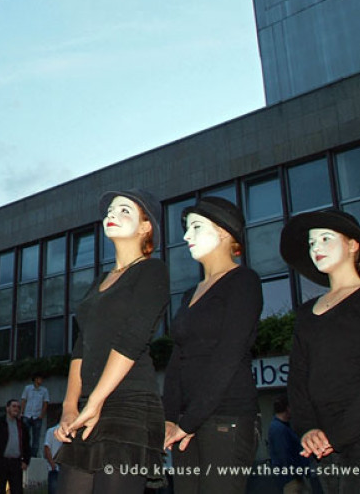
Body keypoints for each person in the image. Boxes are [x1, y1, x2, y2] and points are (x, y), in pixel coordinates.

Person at [55, 189, 170, 493]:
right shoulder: (98, 283)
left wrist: (95, 400)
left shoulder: (152, 271)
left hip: (129, 404)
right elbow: (82, 344)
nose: (112, 215)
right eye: (110, 211)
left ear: (146, 227)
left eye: (124, 211)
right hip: (90, 405)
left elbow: (132, 339)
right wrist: (69, 406)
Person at [281, 210, 360, 494]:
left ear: (353, 244)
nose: (316, 248)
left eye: (325, 238)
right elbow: (297, 378)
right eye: (311, 243)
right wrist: (308, 429)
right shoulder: (307, 312)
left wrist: (338, 435)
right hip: (322, 437)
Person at [162, 196, 262, 493]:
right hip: (186, 423)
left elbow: (228, 355)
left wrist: (189, 421)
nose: (185, 236)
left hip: (226, 417)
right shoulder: (189, 293)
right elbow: (177, 358)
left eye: (195, 227)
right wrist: (170, 419)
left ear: (223, 232)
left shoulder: (243, 281)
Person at [0, 399, 31, 494]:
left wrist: (26, 461)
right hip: (0, 462)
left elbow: (26, 444)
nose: (16, 409)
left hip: (16, 463)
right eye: (14, 406)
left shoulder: (22, 425)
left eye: (18, 407)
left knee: (17, 490)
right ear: (7, 408)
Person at [269, 394, 312, 494]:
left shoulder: (283, 427)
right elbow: (283, 455)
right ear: (288, 408)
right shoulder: (279, 429)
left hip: (295, 476)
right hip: (291, 479)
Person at [21, 373, 50, 457]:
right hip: (27, 414)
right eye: (39, 379)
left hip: (37, 416)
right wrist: (22, 412)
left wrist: (42, 414)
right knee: (25, 435)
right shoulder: (28, 388)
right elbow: (24, 400)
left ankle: (33, 455)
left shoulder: (44, 390)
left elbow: (45, 403)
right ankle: (25, 453)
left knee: (36, 437)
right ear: (35, 379)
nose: (41, 380)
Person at [44, 423, 63, 494]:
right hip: (55, 469)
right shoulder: (51, 431)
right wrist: (52, 464)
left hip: (66, 470)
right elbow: (47, 448)